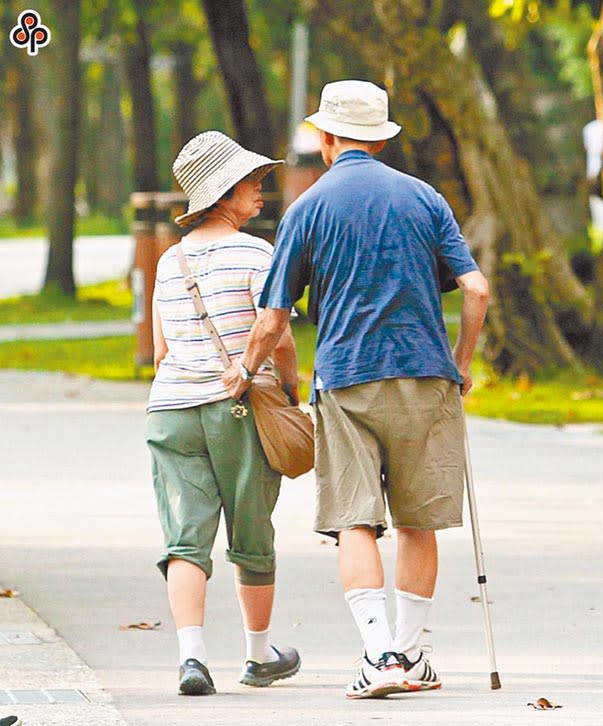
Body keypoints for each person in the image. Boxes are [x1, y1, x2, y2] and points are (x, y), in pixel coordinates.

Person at [224, 80, 489, 700]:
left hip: (346, 379)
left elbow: (273, 316)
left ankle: (378, 656)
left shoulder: (309, 209)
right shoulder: (425, 198)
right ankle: (413, 653)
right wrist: (462, 361)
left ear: (325, 138)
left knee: (354, 521)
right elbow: (474, 290)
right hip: (427, 375)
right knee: (419, 521)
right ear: (383, 136)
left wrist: (245, 368)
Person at [147, 131, 301, 696]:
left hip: (170, 409)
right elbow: (277, 331)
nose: (261, 192)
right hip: (235, 408)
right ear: (222, 193)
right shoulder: (259, 253)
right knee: (251, 531)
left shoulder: (169, 260)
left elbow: (161, 350)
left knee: (185, 538)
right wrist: (288, 387)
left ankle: (192, 658)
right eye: (251, 184)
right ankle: (259, 656)